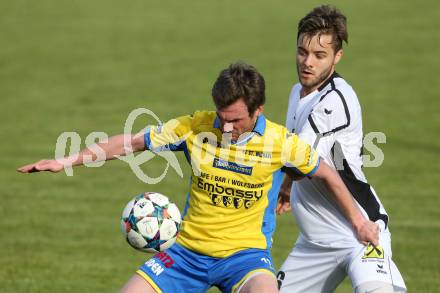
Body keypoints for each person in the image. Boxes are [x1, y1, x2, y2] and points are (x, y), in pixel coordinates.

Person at [18, 62, 378, 293]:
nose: (226, 126)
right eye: (222, 116)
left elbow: (327, 174)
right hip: (186, 253)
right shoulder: (196, 127)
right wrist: (68, 160)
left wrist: (360, 223)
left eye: (236, 119)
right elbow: (131, 143)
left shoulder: (281, 143)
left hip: (245, 256)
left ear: (258, 111)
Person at [276, 5, 406, 293]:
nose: (307, 62)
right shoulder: (297, 93)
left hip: (358, 232)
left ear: (337, 56)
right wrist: (286, 187)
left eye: (319, 55)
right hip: (315, 244)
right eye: (302, 52)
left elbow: (298, 162)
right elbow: (303, 151)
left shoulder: (335, 102)